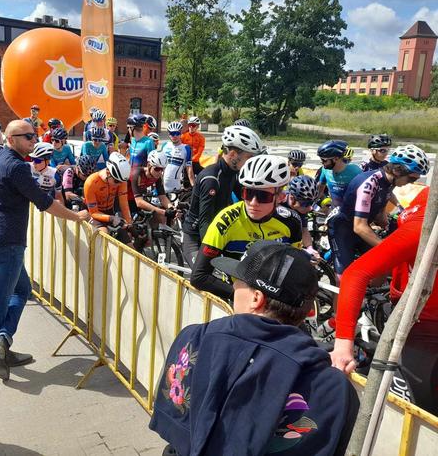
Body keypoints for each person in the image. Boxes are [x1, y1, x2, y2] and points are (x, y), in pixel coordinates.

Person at [151, 241, 359, 456]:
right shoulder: (333, 386)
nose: (233, 287)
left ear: (256, 298)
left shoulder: (195, 338)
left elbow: (175, 424)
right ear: (307, 311)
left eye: (237, 282)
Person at [0, 120, 89, 381]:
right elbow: (45, 203)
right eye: (27, 136)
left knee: (21, 290)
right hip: (9, 240)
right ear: (11, 139)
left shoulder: (0, 157)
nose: (34, 140)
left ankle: (1, 344)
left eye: (34, 135)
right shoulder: (17, 166)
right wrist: (76, 218)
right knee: (1, 296)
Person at [331, 186, 438, 414]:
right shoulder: (425, 225)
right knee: (419, 412)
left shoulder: (427, 195)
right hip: (419, 328)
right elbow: (356, 274)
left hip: (413, 304)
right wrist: (343, 345)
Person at [190, 155, 303, 299]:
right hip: (238, 295)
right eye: (248, 193)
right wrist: (243, 296)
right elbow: (199, 277)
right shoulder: (225, 221)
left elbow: (293, 269)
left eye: (263, 197)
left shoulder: (292, 221)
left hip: (275, 299)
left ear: (280, 197)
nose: (253, 203)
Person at [327, 144, 428, 278]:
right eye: (411, 178)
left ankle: (370, 295)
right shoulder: (370, 183)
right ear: (398, 171)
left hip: (360, 227)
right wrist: (388, 247)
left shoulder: (390, 182)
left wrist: (387, 223)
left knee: (384, 266)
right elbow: (359, 227)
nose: (411, 183)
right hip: (343, 229)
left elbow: (380, 207)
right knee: (343, 279)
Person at [181, 125, 263, 269]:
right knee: (204, 275)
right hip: (196, 235)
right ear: (232, 154)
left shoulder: (233, 172)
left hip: (221, 231)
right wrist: (213, 253)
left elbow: (245, 201)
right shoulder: (211, 179)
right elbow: (205, 221)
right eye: (248, 157)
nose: (250, 162)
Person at [84, 152, 133, 243]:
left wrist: (129, 224)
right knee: (104, 237)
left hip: (111, 213)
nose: (119, 184)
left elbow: (124, 204)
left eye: (121, 182)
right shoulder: (91, 182)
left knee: (129, 246)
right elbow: (94, 212)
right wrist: (111, 218)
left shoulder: (121, 180)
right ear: (108, 172)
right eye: (116, 181)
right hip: (95, 216)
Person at [128, 149, 171, 223]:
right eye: (157, 169)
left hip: (136, 201)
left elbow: (163, 197)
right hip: (125, 202)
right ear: (148, 165)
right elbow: (139, 202)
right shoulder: (137, 174)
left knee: (162, 217)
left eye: (162, 169)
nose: (160, 172)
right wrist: (162, 211)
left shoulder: (157, 177)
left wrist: (172, 208)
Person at [316, 140, 361, 207]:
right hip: (335, 209)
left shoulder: (356, 172)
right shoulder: (325, 170)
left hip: (351, 212)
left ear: (336, 159)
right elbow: (319, 191)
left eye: (324, 160)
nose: (322, 163)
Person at [285, 175, 320, 252]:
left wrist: (310, 248)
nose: (310, 208)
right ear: (292, 198)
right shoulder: (277, 202)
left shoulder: (301, 208)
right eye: (306, 204)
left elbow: (304, 230)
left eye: (312, 203)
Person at [161, 121, 194, 193]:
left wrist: (193, 186)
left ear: (181, 133)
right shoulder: (164, 145)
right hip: (161, 185)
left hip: (175, 186)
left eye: (177, 133)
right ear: (169, 134)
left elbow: (189, 169)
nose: (175, 136)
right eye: (172, 134)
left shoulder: (186, 148)